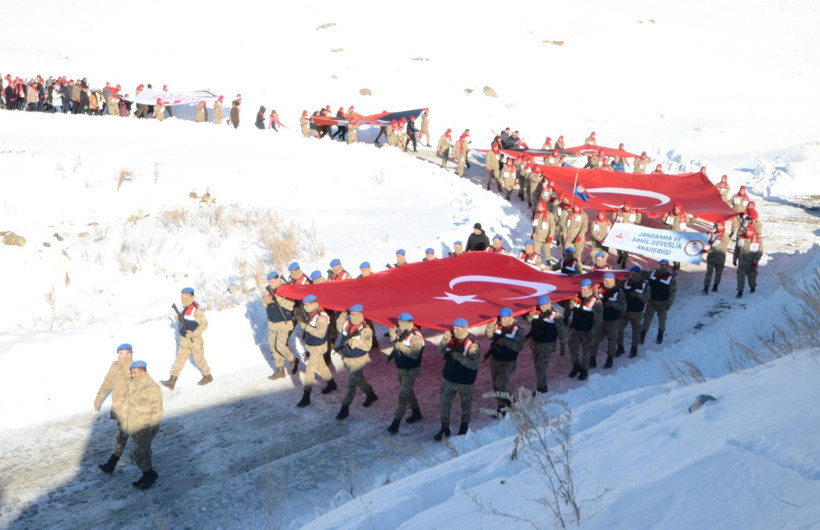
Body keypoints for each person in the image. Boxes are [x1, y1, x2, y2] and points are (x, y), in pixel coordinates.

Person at [436, 317, 480, 440]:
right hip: (449, 378)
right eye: (454, 328)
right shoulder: (450, 339)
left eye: (458, 329)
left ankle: (464, 426)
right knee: (444, 403)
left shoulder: (472, 344)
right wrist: (445, 339)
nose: (455, 331)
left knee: (465, 404)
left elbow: (474, 364)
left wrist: (459, 357)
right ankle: (445, 428)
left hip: (465, 381)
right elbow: (440, 352)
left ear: (464, 328)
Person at [94, 343, 134, 475]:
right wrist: (99, 397)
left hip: (129, 408)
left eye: (125, 353)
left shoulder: (134, 368)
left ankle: (112, 464)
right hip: (119, 406)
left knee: (123, 435)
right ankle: (137, 454)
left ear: (130, 354)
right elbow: (107, 381)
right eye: (120, 353)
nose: (122, 356)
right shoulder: (115, 365)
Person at [123, 360, 163, 490]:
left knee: (139, 452)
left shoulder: (152, 388)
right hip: (135, 425)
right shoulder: (134, 384)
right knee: (141, 453)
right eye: (131, 373)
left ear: (142, 372)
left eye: (134, 372)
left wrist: (154, 428)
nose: (132, 375)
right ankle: (147, 474)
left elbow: (157, 411)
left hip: (146, 427)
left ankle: (150, 475)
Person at [161, 288, 212, 389]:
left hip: (195, 341)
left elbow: (204, 324)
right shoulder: (184, 308)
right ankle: (172, 380)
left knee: (199, 360)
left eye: (186, 295)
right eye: (182, 295)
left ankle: (208, 376)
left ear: (192, 296)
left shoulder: (196, 309)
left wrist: (193, 333)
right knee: (180, 360)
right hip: (184, 341)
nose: (183, 297)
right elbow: (187, 322)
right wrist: (179, 319)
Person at [335, 304, 378, 420]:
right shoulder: (346, 322)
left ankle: (344, 408)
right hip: (347, 357)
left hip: (359, 359)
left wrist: (355, 343)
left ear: (361, 314)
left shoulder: (365, 329)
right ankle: (371, 394)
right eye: (351, 314)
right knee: (359, 379)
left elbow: (368, 346)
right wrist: (341, 317)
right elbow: (339, 329)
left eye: (356, 314)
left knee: (351, 385)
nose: (353, 316)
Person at [294, 294, 337, 407]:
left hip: (318, 346)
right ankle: (331, 384)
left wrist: (307, 327)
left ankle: (306, 396)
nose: (305, 306)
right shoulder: (311, 312)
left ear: (313, 303)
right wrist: (299, 315)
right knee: (321, 366)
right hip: (312, 345)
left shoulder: (321, 317)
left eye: (307, 304)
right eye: (305, 304)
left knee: (310, 370)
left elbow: (320, 333)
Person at [386, 313, 425, 434]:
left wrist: (401, 347)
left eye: (401, 322)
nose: (399, 324)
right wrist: (393, 334)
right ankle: (416, 412)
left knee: (403, 394)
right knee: (407, 391)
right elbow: (397, 342)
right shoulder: (403, 332)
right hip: (401, 368)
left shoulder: (415, 337)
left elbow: (414, 354)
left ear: (407, 322)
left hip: (410, 369)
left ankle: (396, 422)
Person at [484, 307, 525, 415]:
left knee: (501, 383)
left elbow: (519, 347)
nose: (502, 320)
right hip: (495, 360)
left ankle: (512, 403)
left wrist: (505, 341)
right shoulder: (498, 326)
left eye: (505, 318)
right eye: (501, 318)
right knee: (496, 385)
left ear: (510, 317)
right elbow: (489, 337)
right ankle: (501, 407)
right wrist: (490, 326)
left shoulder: (518, 330)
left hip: (508, 361)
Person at [525, 295, 567, 393]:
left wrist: (563, 345)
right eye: (540, 306)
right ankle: (541, 385)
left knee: (541, 366)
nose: (542, 307)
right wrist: (530, 315)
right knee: (537, 366)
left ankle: (542, 388)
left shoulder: (555, 315)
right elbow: (528, 322)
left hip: (547, 345)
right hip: (535, 343)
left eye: (544, 305)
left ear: (549, 303)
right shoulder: (536, 313)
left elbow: (561, 331)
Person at [263, 271, 300, 380]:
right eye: (269, 282)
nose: (270, 283)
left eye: (272, 281)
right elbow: (265, 304)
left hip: (284, 322)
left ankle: (292, 359)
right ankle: (280, 370)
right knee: (273, 347)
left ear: (278, 279)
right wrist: (266, 301)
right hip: (272, 323)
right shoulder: (269, 291)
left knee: (280, 346)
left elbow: (290, 305)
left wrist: (277, 299)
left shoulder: (286, 289)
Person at [567, 279, 603, 381]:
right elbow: (571, 309)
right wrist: (571, 301)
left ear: (590, 288)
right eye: (581, 289)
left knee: (586, 350)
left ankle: (584, 370)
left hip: (588, 331)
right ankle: (576, 365)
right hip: (576, 328)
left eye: (584, 289)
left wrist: (593, 332)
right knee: (572, 347)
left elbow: (598, 319)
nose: (582, 291)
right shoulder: (577, 297)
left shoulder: (596, 301)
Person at [594, 272, 627, 369]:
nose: (604, 281)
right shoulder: (601, 290)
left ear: (612, 280)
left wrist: (612, 304)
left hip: (612, 321)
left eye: (606, 280)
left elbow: (623, 307)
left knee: (611, 341)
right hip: (601, 320)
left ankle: (610, 359)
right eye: (603, 280)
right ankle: (592, 358)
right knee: (595, 340)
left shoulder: (619, 292)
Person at [641, 259, 676, 345]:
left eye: (663, 265)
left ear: (667, 266)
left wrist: (669, 303)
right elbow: (642, 276)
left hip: (662, 303)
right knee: (646, 319)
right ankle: (642, 335)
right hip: (651, 301)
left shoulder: (671, 278)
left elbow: (673, 292)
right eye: (660, 265)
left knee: (662, 320)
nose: (661, 266)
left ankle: (660, 335)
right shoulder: (653, 273)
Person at [617, 265, 650, 358]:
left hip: (637, 313)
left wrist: (637, 295)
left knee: (636, 332)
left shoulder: (645, 285)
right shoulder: (625, 282)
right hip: (625, 312)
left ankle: (634, 349)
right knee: (618, 330)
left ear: (639, 274)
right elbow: (618, 288)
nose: (632, 276)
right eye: (631, 274)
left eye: (634, 274)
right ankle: (620, 347)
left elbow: (646, 298)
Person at [734, 224, 764, 298]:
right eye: (746, 230)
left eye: (749, 231)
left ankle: (752, 287)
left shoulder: (757, 240)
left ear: (752, 231)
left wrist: (755, 261)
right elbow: (737, 249)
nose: (747, 232)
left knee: (751, 278)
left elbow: (760, 252)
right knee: (740, 277)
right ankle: (740, 291)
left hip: (751, 263)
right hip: (741, 263)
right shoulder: (741, 238)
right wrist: (734, 259)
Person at [703, 221, 730, 294]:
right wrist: (708, 236)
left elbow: (719, 247)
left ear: (723, 226)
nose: (718, 227)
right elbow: (711, 243)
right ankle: (706, 287)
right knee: (709, 272)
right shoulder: (714, 234)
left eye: (720, 226)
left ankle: (716, 285)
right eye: (717, 225)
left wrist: (708, 251)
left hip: (719, 257)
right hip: (711, 257)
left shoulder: (725, 236)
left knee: (718, 273)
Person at [612, 201, 642, 267]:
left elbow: (638, 221)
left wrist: (639, 214)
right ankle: (620, 255)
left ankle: (624, 261)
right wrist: (614, 212)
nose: (626, 207)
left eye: (628, 206)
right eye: (625, 206)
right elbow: (614, 219)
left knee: (626, 249)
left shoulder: (633, 212)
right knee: (618, 246)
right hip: (620, 232)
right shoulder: (620, 211)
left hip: (628, 233)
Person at [663, 203, 689, 270]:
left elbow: (688, 222)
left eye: (678, 209)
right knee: (673, 250)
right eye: (675, 208)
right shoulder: (671, 214)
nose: (676, 210)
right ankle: (675, 263)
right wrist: (663, 217)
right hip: (672, 235)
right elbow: (666, 223)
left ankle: (678, 262)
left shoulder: (684, 214)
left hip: (681, 235)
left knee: (678, 250)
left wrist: (694, 218)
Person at [531, 200, 556, 266]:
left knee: (547, 249)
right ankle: (537, 262)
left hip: (546, 236)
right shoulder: (537, 214)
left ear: (544, 207)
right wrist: (532, 233)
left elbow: (552, 226)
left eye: (540, 206)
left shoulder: (549, 215)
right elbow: (534, 225)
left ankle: (548, 262)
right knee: (536, 250)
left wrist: (550, 235)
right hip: (537, 235)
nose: (539, 207)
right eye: (538, 206)